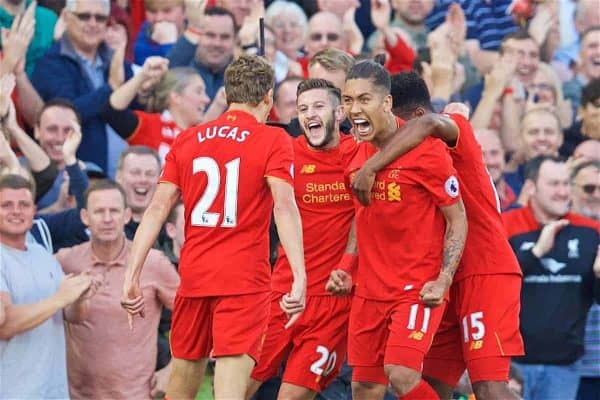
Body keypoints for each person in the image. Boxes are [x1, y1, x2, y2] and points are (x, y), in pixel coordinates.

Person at [121, 54, 306, 399]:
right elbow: (284, 205)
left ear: (227, 92)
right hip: (243, 281)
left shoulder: (188, 138)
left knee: (181, 386)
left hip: (194, 278)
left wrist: (131, 274)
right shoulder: (273, 140)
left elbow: (158, 208)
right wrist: (299, 274)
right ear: (268, 97)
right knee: (230, 392)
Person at [349, 71, 525, 399]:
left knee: (488, 386)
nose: (391, 143)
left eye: (398, 131)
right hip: (439, 277)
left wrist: (371, 167)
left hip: (483, 271)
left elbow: (432, 122)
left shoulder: (447, 132)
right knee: (429, 385)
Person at [339, 61, 467, 399]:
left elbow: (457, 219)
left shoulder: (427, 151)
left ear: (386, 102)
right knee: (364, 385)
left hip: (415, 287)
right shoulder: (353, 150)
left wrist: (443, 277)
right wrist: (345, 266)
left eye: (364, 99)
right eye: (348, 100)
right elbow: (360, 214)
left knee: (401, 372)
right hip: (369, 290)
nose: (355, 109)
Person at [248, 79, 356, 399]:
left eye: (319, 106)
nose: (310, 114)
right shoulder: (285, 152)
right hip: (284, 293)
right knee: (237, 388)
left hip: (333, 303)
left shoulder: (361, 153)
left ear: (339, 113)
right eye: (303, 109)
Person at [56, 179, 179, 399]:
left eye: (114, 210)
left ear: (127, 215)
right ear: (85, 217)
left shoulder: (152, 263)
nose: (107, 219)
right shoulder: (65, 262)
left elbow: (196, 319)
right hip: (76, 395)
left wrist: (173, 369)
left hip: (137, 395)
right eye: (99, 211)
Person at [502, 156, 600, 400]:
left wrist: (599, 275)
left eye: (566, 184)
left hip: (564, 367)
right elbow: (494, 287)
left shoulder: (590, 232)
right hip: (511, 365)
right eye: (554, 184)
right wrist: (535, 253)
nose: (563, 192)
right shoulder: (506, 226)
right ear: (532, 187)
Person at [0, 174, 91, 398]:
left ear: (34, 211)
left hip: (54, 390)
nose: (16, 211)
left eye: (24, 205)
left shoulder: (42, 254)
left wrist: (78, 296)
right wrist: (61, 298)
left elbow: (72, 316)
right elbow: (5, 324)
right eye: (6, 205)